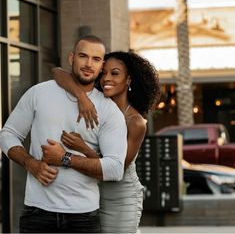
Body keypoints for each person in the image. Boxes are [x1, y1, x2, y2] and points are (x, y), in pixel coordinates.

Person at [0, 35, 128, 233]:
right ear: (71, 58)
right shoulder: (39, 93)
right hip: (37, 212)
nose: (88, 64)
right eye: (83, 56)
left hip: (83, 217)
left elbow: (114, 169)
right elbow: (7, 134)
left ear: (102, 65)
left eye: (95, 59)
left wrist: (64, 158)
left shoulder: (108, 111)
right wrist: (31, 163)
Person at [42, 51, 161, 233]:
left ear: (128, 80)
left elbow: (116, 170)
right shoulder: (97, 104)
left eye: (114, 73)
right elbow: (57, 72)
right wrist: (81, 96)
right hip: (92, 195)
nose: (106, 78)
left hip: (121, 198)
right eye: (103, 73)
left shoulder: (135, 122)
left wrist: (81, 148)